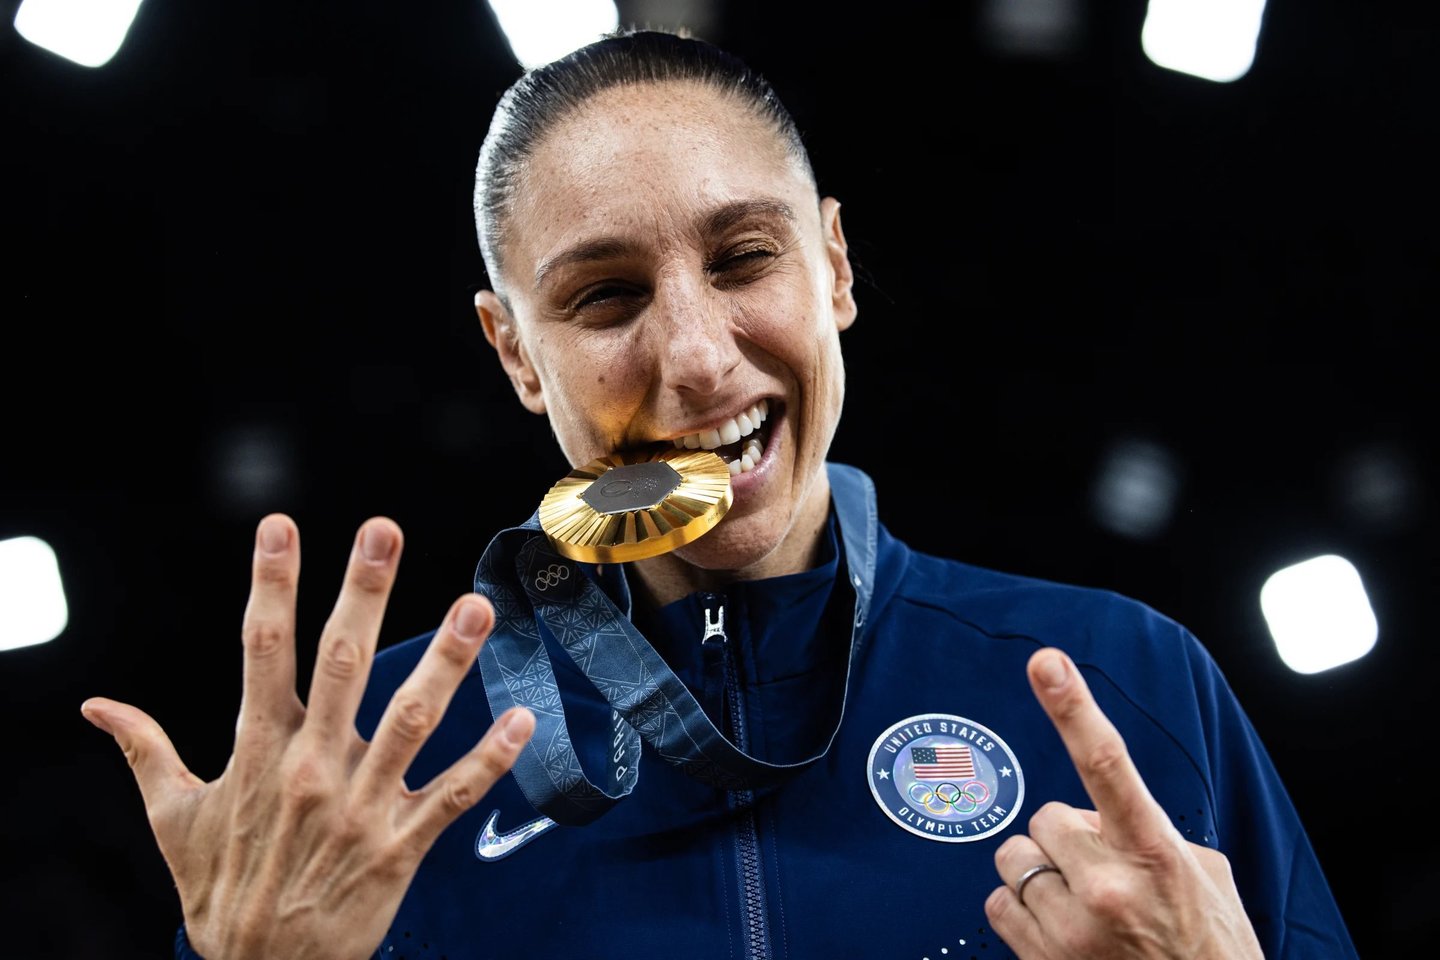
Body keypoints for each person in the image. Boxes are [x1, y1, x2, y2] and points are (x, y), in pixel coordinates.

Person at [80, 29, 1358, 960]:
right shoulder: (360, 786)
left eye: (744, 258)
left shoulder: (1130, 683)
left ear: (835, 266)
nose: (695, 357)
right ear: (514, 353)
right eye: (606, 297)